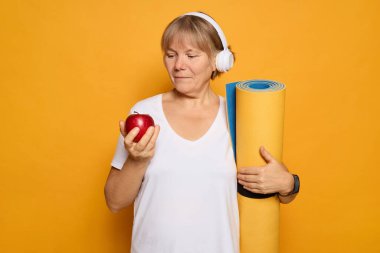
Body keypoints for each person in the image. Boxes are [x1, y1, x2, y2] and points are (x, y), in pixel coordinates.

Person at [104, 12, 298, 253]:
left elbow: (270, 190)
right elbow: (114, 202)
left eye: (191, 55)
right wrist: (137, 160)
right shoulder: (145, 113)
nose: (178, 65)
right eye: (171, 55)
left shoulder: (237, 117)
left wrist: (288, 184)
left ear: (218, 61)